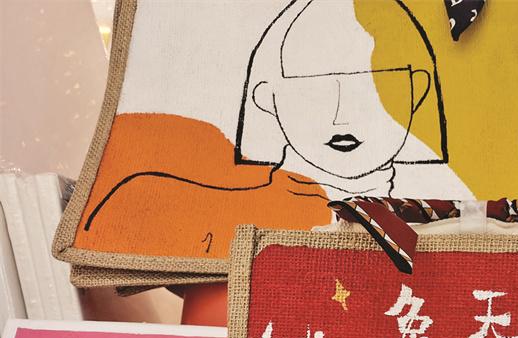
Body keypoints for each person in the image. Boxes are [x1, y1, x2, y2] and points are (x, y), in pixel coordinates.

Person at [77, 0, 471, 260]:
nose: (341, 116)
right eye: (314, 90)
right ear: (268, 97)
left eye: (372, 88)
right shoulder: (178, 203)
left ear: (418, 89)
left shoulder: (467, 206)